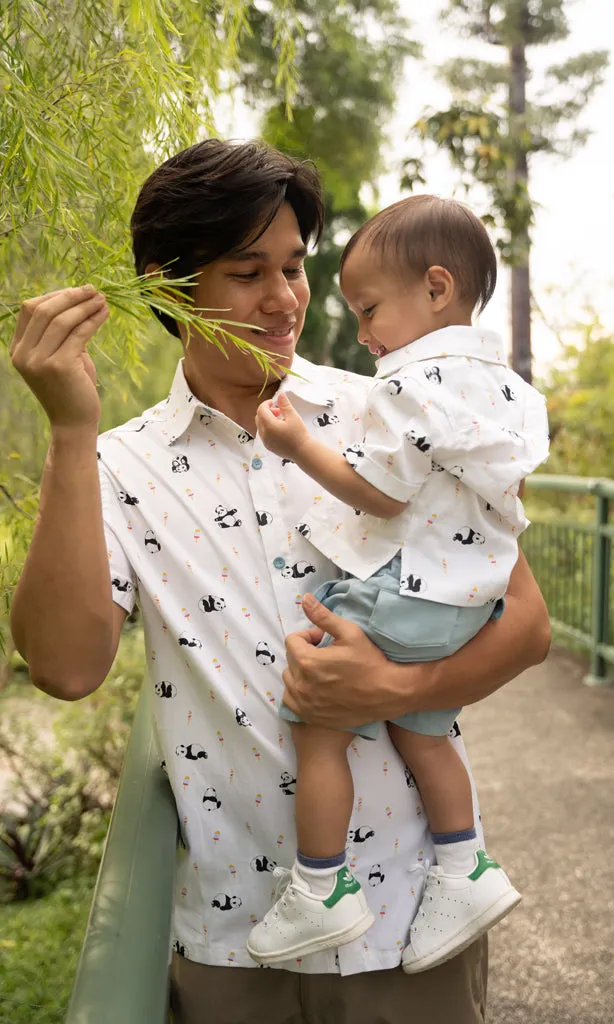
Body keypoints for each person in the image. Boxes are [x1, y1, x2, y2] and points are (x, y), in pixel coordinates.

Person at [9, 138, 550, 1024]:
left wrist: (397, 686)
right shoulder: (116, 467)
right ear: (171, 286)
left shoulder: (390, 411)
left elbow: (525, 626)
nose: (284, 299)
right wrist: (70, 431)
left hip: (413, 923)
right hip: (236, 937)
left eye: (294, 267)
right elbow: (66, 670)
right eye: (246, 271)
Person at [249, 195, 549, 974]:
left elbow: (377, 493)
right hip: (470, 601)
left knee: (318, 719)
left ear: (438, 288)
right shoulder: (507, 387)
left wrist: (294, 443)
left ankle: (320, 887)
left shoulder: (409, 382)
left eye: (369, 307)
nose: (362, 332)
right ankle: (465, 868)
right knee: (424, 733)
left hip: (410, 591)